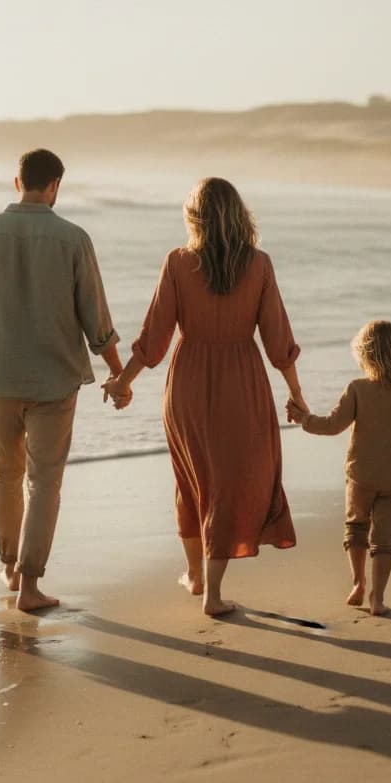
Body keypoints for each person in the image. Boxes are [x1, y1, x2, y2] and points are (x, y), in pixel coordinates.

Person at [103, 177, 305, 617]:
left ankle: (196, 577)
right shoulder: (259, 265)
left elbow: (154, 337)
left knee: (192, 479)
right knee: (231, 483)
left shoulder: (178, 263)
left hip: (188, 382)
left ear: (194, 217)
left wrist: (124, 381)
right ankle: (210, 593)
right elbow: (278, 339)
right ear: (238, 214)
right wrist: (296, 394)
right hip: (242, 381)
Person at [0, 148, 123, 612]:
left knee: (6, 474)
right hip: (54, 381)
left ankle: (7, 566)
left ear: (16, 181)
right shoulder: (73, 239)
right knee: (44, 481)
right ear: (55, 185)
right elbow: (95, 318)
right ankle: (29, 585)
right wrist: (118, 372)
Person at [288, 319, 391, 616]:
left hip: (360, 476)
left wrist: (304, 419)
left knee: (356, 528)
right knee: (385, 540)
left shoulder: (357, 389)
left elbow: (332, 426)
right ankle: (377, 600)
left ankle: (358, 583)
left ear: (365, 355)